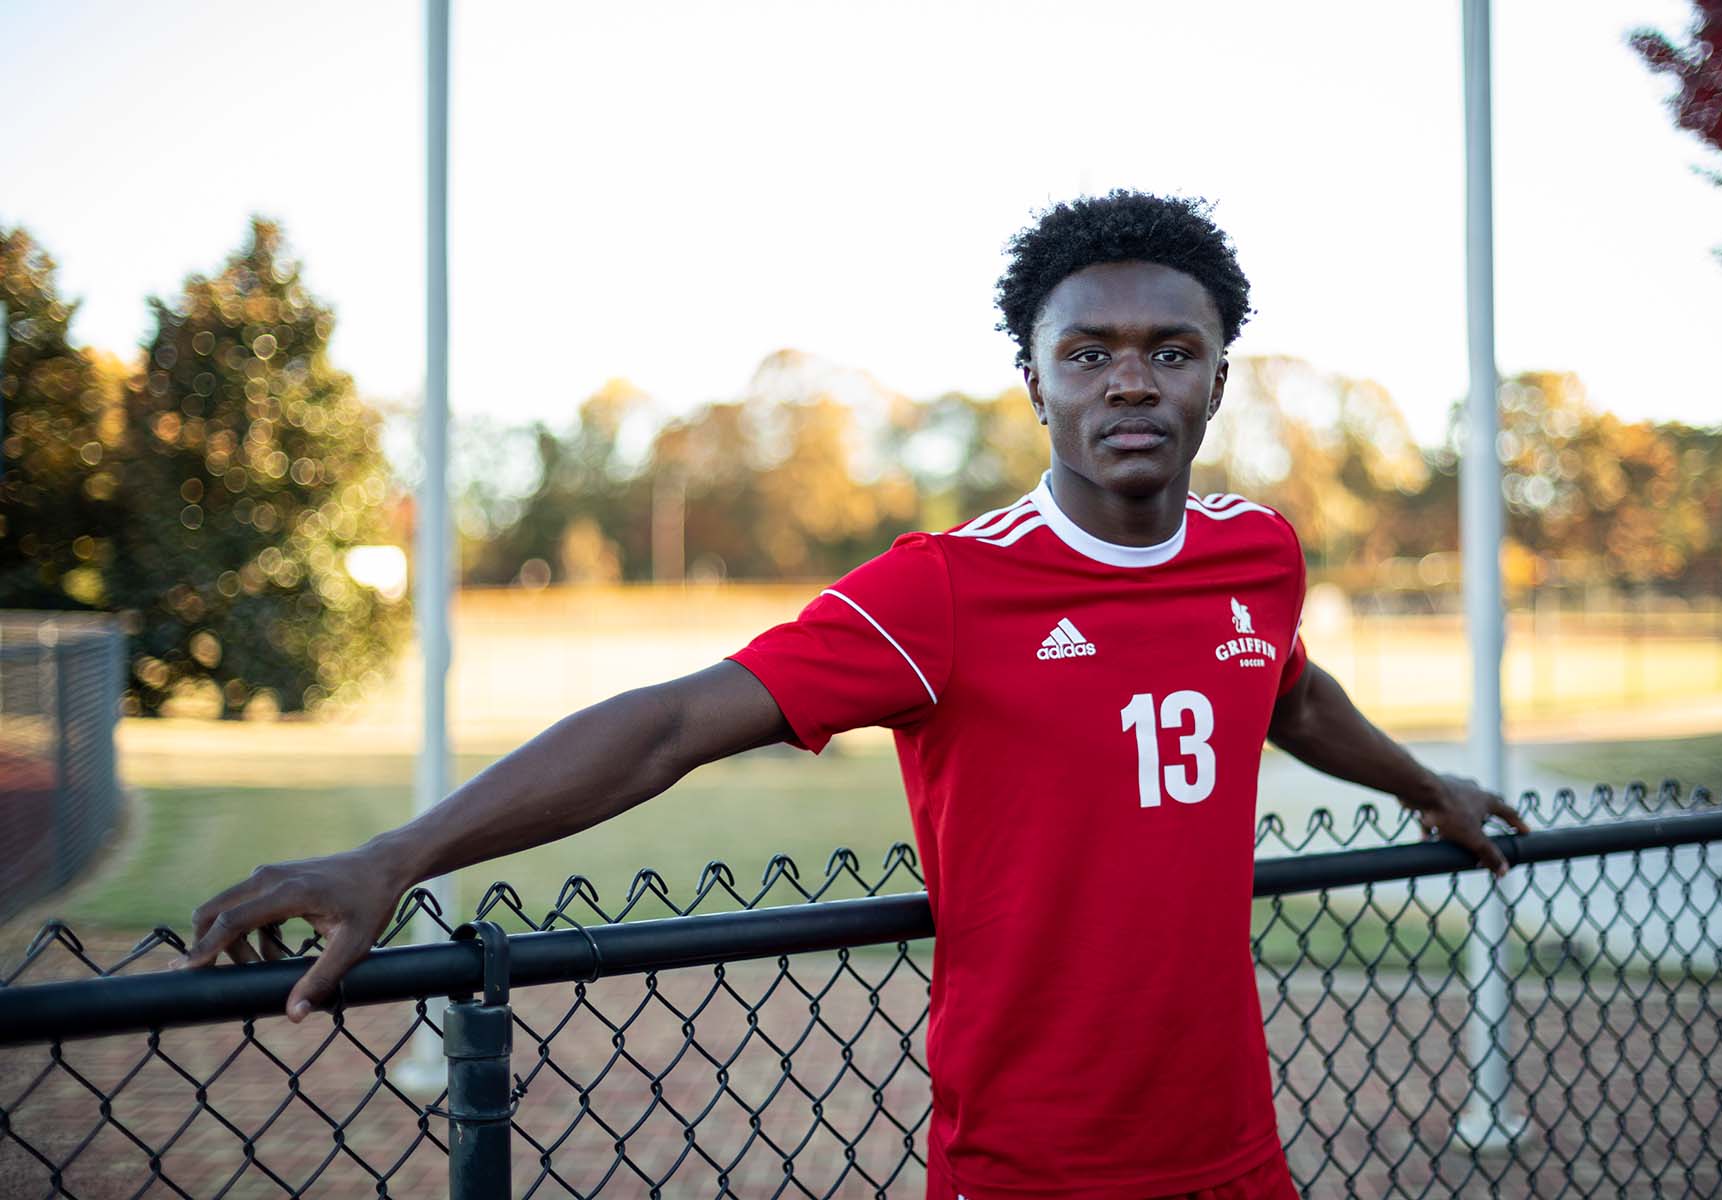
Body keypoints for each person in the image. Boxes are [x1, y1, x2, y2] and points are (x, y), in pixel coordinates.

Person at [178, 191, 1529, 1199]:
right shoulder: (944, 590)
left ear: (1220, 377)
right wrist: (398, 855)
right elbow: (669, 726)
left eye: (1172, 351)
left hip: (1235, 1149)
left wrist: (1430, 788)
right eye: (1088, 352)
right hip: (1031, 1162)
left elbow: (1288, 694)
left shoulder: (1259, 555)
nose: (1130, 379)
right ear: (1034, 379)